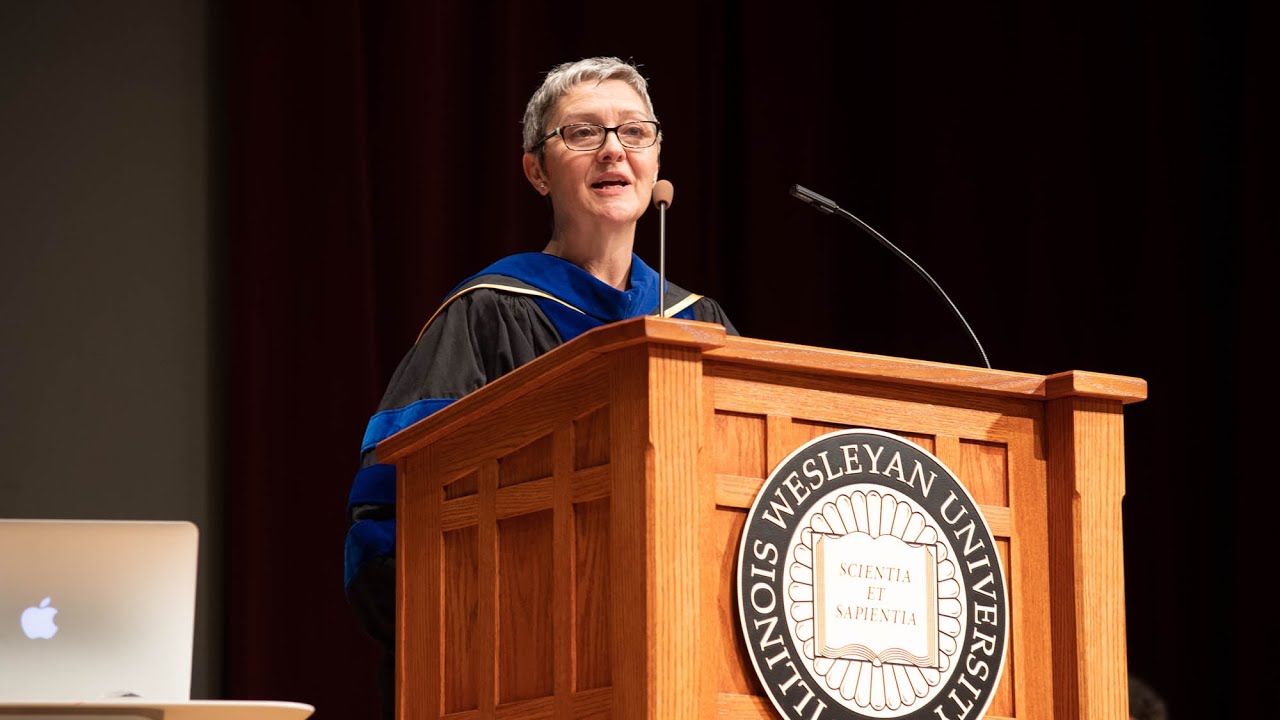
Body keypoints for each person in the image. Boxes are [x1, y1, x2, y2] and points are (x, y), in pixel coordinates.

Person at [343, 56, 738, 719]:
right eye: (582, 132)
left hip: (683, 674)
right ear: (536, 171)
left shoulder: (699, 325)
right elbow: (390, 524)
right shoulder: (486, 315)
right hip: (517, 679)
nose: (613, 149)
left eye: (634, 131)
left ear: (655, 159)